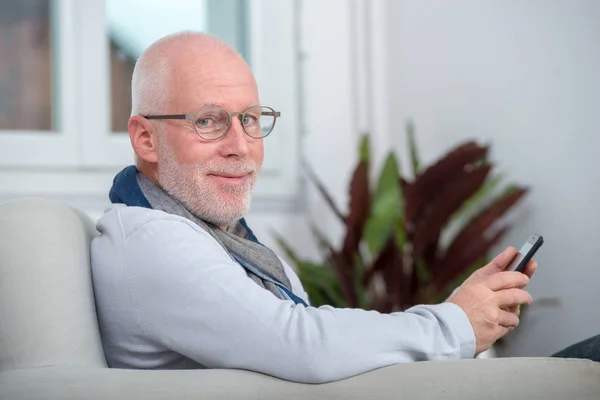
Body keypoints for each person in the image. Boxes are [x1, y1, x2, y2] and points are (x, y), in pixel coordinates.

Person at [89, 31, 588, 384]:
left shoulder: (221, 237)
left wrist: (464, 313)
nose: (241, 146)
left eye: (250, 118)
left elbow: (316, 343)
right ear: (145, 138)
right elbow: (301, 345)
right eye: (209, 121)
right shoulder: (150, 240)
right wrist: (454, 323)